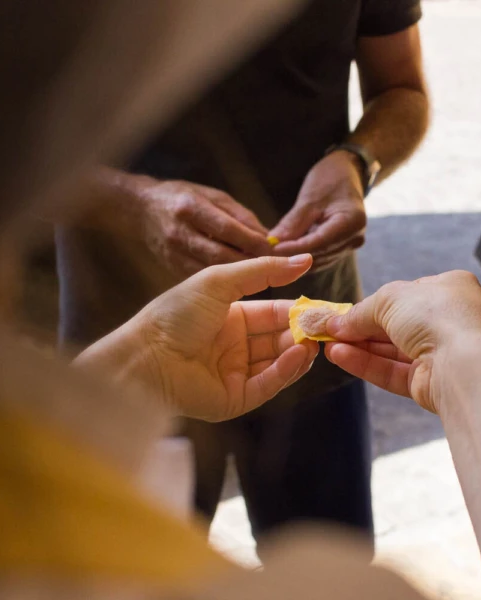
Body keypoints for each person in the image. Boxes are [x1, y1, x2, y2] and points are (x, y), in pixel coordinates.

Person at [54, 0, 429, 549]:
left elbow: (403, 88)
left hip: (308, 331)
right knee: (124, 569)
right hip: (127, 337)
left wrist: (356, 162)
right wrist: (133, 202)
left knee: (326, 569)